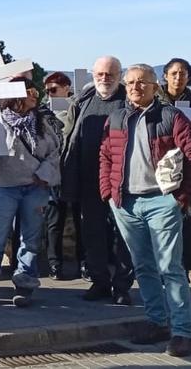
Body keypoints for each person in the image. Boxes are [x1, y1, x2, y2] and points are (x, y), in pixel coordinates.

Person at [101, 63, 191, 358]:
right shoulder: (117, 118)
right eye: (131, 82)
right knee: (144, 267)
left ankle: (183, 333)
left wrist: (181, 198)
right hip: (127, 203)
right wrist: (109, 193)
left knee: (170, 269)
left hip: (162, 201)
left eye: (142, 82)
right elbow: (106, 156)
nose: (136, 87)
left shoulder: (171, 117)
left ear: (154, 87)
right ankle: (158, 323)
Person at [0, 79, 61, 308]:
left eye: (35, 92)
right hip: (4, 186)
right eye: (30, 92)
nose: (35, 97)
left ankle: (25, 285)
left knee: (29, 239)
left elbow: (55, 151)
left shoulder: (40, 123)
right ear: (16, 95)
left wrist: (44, 173)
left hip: (34, 188)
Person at [63, 56, 134, 303]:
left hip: (121, 180)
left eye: (110, 74)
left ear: (120, 74)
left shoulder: (129, 101)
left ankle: (122, 286)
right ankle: (99, 282)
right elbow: (69, 138)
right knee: (92, 233)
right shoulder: (82, 102)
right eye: (100, 74)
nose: (105, 79)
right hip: (88, 179)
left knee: (124, 235)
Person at [160, 58, 191, 288]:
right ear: (166, 76)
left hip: (188, 167)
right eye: (174, 73)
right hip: (161, 167)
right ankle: (165, 268)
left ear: (189, 77)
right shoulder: (156, 100)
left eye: (183, 73)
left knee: (190, 222)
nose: (178, 77)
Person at [41, 72, 81, 280]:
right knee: (54, 221)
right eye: (47, 91)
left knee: (81, 219)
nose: (50, 95)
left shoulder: (78, 108)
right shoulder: (43, 112)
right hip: (54, 172)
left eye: (54, 90)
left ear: (67, 88)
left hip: (75, 171)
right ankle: (54, 263)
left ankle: (84, 263)